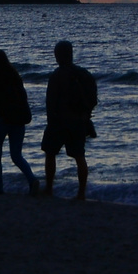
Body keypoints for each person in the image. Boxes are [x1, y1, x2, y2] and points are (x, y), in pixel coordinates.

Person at [40, 40, 96, 200]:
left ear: (58, 56)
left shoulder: (56, 75)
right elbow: (93, 100)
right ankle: (81, 193)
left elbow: (50, 102)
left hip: (59, 122)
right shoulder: (85, 74)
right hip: (79, 121)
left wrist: (51, 122)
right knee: (80, 157)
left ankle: (49, 189)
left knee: (50, 153)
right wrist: (86, 116)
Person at [0, 49, 38, 194]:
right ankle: (32, 179)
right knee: (16, 155)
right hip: (17, 120)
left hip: (0, 120)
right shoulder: (15, 76)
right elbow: (23, 96)